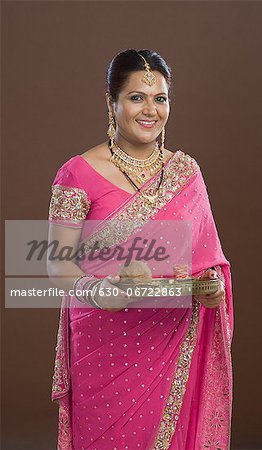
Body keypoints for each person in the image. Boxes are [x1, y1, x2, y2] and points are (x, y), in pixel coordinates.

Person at [47, 48, 234, 450]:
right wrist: (99, 291)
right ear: (110, 102)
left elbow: (208, 262)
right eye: (136, 97)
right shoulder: (77, 172)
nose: (150, 110)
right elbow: (57, 265)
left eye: (160, 98)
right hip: (102, 341)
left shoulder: (186, 172)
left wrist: (212, 288)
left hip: (170, 336)